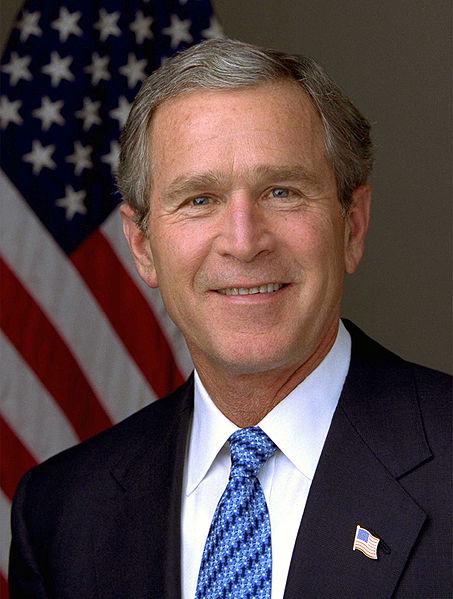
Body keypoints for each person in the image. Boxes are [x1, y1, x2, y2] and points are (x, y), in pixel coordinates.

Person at [9, 39, 451, 599]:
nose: (243, 243)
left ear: (353, 226)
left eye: (282, 191)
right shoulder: (61, 514)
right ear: (142, 245)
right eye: (199, 200)